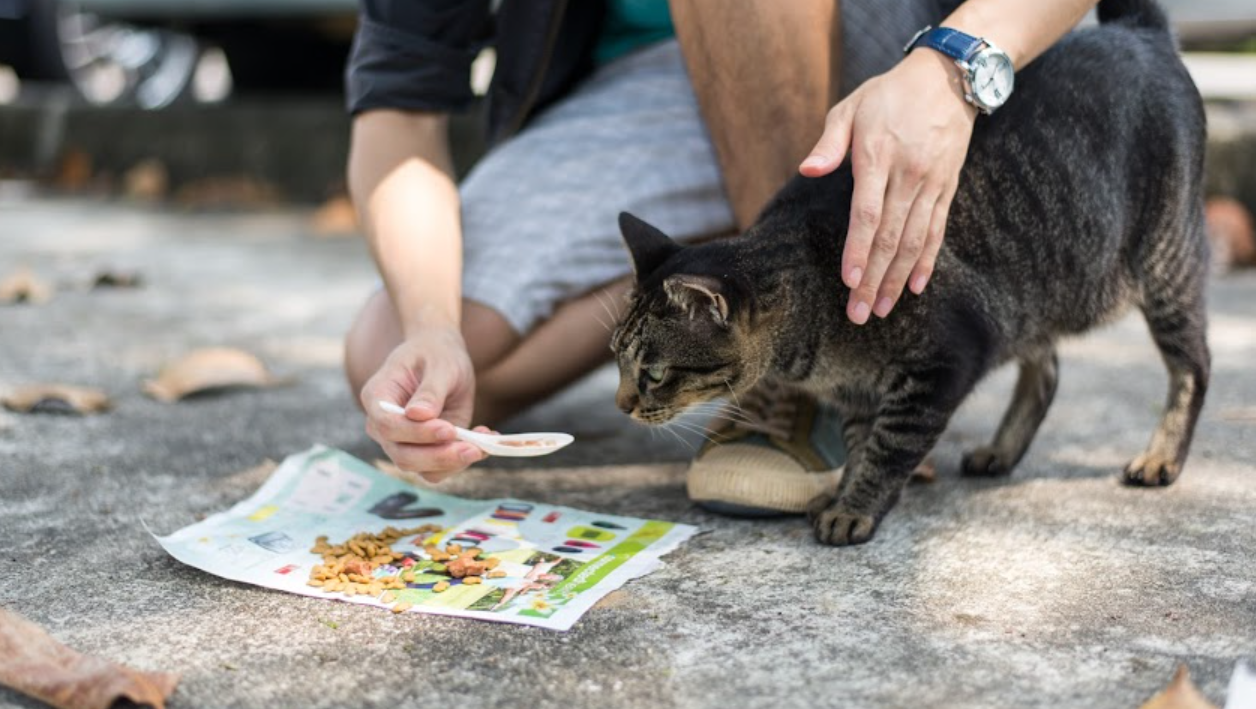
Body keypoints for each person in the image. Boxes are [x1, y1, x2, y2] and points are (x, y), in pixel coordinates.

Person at [343, 0, 1100, 515]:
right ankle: (721, 294)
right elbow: (398, 114)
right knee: (392, 357)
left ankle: (792, 353)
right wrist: (434, 324)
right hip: (648, 85)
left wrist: (951, 69)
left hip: (907, 53)